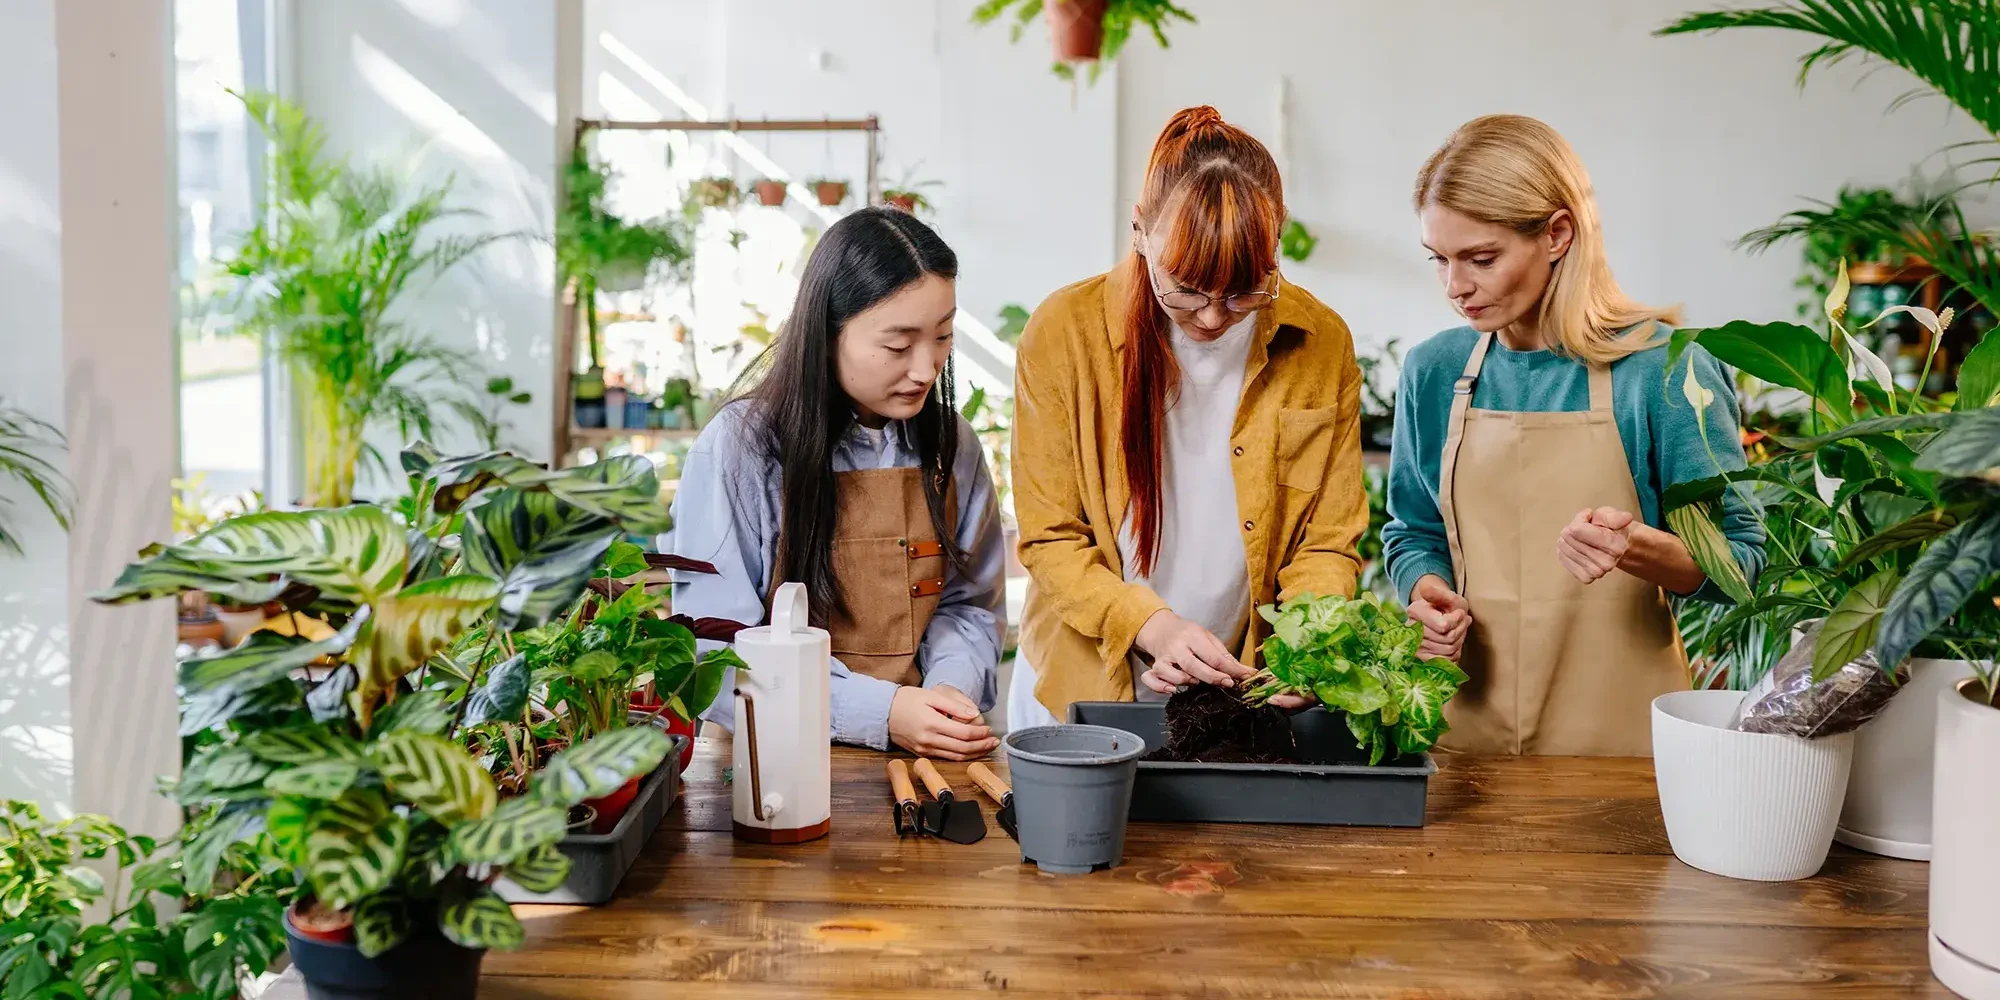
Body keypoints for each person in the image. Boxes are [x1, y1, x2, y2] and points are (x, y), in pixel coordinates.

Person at [1383, 114, 1765, 756]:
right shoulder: (1435, 370)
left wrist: (1643, 550)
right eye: (1439, 260)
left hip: (1621, 744)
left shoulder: (1666, 369)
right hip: (1461, 736)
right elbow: (1412, 531)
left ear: (1558, 234)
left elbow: (1745, 564)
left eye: (1481, 258)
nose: (1456, 287)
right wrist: (1427, 591)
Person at [1007, 106, 1367, 731]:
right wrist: (1150, 624)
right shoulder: (1065, 333)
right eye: (1187, 289)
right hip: (1087, 682)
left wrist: (1306, 646)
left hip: (1240, 688)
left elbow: (1327, 541)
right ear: (1140, 230)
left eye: (1242, 291)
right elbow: (1051, 537)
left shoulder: (1321, 341)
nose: (1211, 317)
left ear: (1276, 243)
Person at [669, 207, 1007, 762]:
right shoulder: (740, 447)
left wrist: (950, 690)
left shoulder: (953, 446)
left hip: (928, 755)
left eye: (943, 337)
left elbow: (970, 605)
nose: (926, 369)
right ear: (827, 334)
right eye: (898, 346)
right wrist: (883, 712)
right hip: (770, 759)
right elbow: (716, 652)